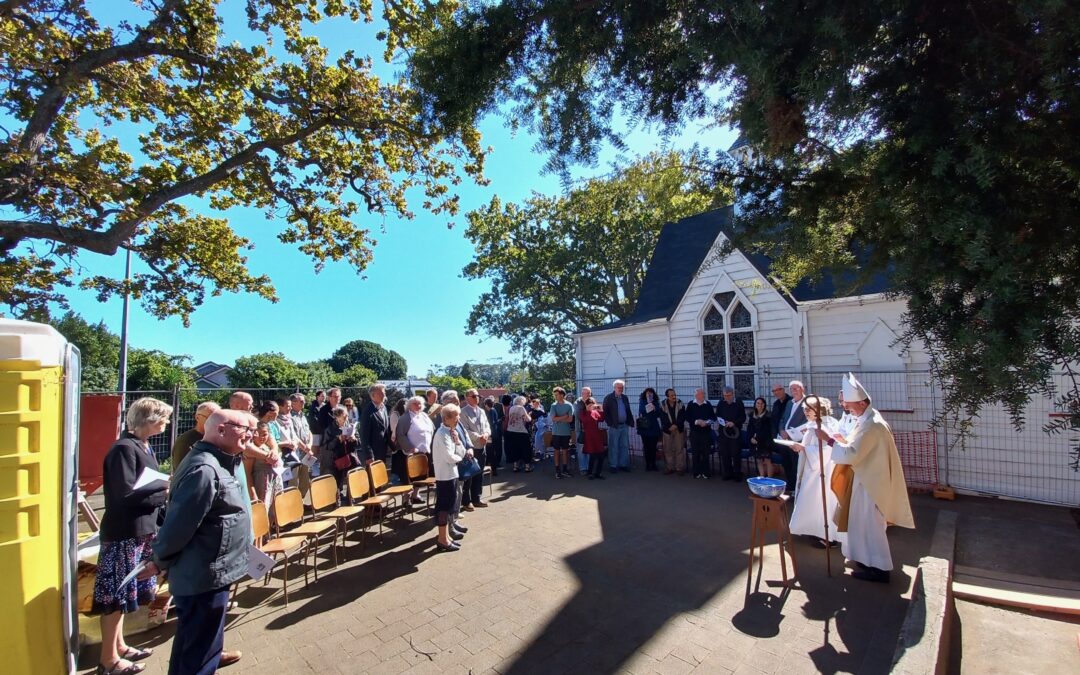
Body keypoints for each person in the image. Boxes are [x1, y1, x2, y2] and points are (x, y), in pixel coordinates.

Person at [149, 409, 253, 675]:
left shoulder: (218, 461)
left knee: (193, 644)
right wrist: (159, 558)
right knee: (199, 652)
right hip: (203, 573)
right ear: (221, 430)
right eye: (244, 430)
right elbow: (180, 524)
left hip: (208, 570)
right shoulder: (205, 469)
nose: (250, 435)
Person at [92, 397, 173, 675]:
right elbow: (124, 493)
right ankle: (108, 659)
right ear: (148, 419)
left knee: (126, 594)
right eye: (163, 418)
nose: (167, 423)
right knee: (115, 596)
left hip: (140, 531)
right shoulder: (123, 449)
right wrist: (164, 491)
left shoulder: (143, 446)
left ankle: (120, 646)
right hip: (123, 534)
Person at [831, 373, 915, 583]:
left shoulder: (871, 425)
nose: (847, 408)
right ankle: (866, 560)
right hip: (866, 478)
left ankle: (879, 568)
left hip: (871, 483)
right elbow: (856, 445)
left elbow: (853, 453)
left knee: (871, 525)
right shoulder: (867, 419)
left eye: (850, 404)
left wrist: (832, 442)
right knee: (860, 522)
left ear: (861, 402)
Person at [788, 396, 846, 548]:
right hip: (813, 471)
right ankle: (814, 530)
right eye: (804, 409)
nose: (805, 412)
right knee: (812, 503)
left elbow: (827, 449)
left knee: (820, 503)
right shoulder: (818, 423)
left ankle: (827, 536)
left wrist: (802, 448)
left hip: (820, 473)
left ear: (818, 410)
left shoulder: (822, 426)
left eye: (808, 409)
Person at [431, 404, 468, 552]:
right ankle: (442, 539)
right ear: (447, 418)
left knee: (449, 506)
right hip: (444, 476)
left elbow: (461, 450)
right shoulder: (441, 433)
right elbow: (449, 457)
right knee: (444, 508)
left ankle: (445, 537)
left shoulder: (450, 432)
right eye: (456, 416)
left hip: (451, 474)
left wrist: (458, 441)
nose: (458, 418)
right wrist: (460, 458)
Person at [396, 395, 434, 503]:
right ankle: (406, 499)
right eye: (415, 403)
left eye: (420, 404)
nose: (418, 405)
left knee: (421, 476)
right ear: (409, 405)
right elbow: (400, 435)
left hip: (425, 451)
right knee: (409, 477)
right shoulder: (405, 417)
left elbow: (431, 429)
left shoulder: (424, 416)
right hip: (412, 453)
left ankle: (415, 496)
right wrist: (410, 448)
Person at [460, 388, 491, 507]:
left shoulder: (481, 411)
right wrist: (479, 437)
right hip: (471, 448)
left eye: (478, 396)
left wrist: (486, 434)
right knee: (469, 475)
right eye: (474, 396)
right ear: (467, 398)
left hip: (482, 446)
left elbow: (487, 425)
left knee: (479, 473)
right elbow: (465, 430)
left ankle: (477, 498)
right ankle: (466, 501)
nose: (477, 398)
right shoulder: (463, 412)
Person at [170, 401, 220, 472]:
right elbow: (181, 472)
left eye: (217, 418)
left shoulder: (219, 437)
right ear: (197, 417)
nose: (215, 422)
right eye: (210, 418)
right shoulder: (185, 441)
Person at [602, 380, 635, 473]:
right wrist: (610, 423)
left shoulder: (625, 398)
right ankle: (613, 465)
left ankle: (623, 464)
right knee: (613, 446)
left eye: (621, 387)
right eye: (618, 387)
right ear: (614, 388)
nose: (620, 389)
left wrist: (630, 421)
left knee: (624, 445)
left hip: (624, 425)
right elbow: (605, 412)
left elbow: (628, 410)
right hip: (614, 426)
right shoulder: (608, 398)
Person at [715, 386, 747, 481]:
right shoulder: (721, 403)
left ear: (733, 394)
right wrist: (722, 422)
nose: (726, 398)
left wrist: (734, 423)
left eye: (728, 396)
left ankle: (737, 474)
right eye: (725, 396)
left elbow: (743, 417)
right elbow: (717, 415)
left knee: (735, 453)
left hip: (735, 432)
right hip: (723, 432)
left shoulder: (738, 403)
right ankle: (727, 473)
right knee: (725, 453)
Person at [770, 383, 797, 492]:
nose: (777, 392)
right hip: (780, 439)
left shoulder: (791, 402)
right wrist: (774, 436)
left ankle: (796, 487)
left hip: (791, 438)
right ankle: (790, 486)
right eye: (774, 391)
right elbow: (774, 421)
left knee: (794, 463)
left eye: (778, 390)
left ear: (783, 390)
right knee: (786, 463)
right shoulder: (776, 404)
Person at [358, 383, 393, 466]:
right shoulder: (367, 412)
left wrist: (392, 446)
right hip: (373, 453)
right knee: (374, 477)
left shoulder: (383, 408)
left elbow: (385, 429)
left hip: (383, 450)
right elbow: (364, 436)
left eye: (384, 393)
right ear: (373, 396)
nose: (384, 395)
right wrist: (369, 455)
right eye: (381, 393)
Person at [685, 389, 716, 479]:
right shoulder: (691, 404)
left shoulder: (708, 404)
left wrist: (707, 422)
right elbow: (687, 417)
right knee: (696, 453)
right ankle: (696, 472)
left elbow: (713, 417)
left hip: (706, 432)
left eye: (704, 394)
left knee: (706, 453)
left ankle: (706, 472)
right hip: (694, 432)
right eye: (702, 394)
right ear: (697, 395)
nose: (703, 396)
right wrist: (696, 421)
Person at [549, 387, 575, 478]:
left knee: (565, 451)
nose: (555, 396)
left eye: (557, 395)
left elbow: (570, 419)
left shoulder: (569, 405)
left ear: (562, 395)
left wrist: (558, 419)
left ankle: (564, 469)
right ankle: (557, 470)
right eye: (554, 395)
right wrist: (564, 416)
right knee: (556, 451)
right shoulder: (553, 405)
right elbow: (553, 419)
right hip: (555, 433)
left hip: (566, 432)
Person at [659, 389, 686, 476]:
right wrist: (669, 427)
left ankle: (679, 468)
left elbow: (682, 416)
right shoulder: (662, 404)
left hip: (678, 429)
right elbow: (662, 417)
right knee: (668, 449)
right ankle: (670, 467)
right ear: (667, 396)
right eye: (671, 395)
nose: (674, 397)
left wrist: (676, 425)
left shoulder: (680, 403)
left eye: (674, 394)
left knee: (679, 448)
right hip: (667, 430)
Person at [578, 397, 607, 479]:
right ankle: (590, 473)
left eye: (592, 405)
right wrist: (588, 410)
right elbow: (585, 420)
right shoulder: (583, 412)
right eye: (589, 405)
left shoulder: (595, 412)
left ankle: (598, 473)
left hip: (597, 436)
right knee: (592, 456)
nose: (591, 406)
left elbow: (601, 419)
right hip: (589, 436)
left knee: (601, 455)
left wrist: (601, 409)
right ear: (586, 405)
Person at [747, 397, 776, 478]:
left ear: (764, 405)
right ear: (755, 404)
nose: (760, 405)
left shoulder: (768, 416)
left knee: (767, 461)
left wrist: (760, 439)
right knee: (759, 460)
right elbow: (749, 429)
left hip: (765, 442)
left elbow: (768, 430)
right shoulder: (752, 416)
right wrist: (751, 438)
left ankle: (770, 479)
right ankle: (762, 477)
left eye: (762, 403)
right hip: (754, 442)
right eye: (758, 403)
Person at [637, 387, 662, 471]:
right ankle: (647, 464)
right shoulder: (642, 401)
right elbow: (641, 411)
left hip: (654, 427)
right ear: (645, 394)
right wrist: (648, 404)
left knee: (653, 447)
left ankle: (653, 464)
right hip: (645, 427)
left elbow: (659, 413)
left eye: (651, 394)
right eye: (648, 393)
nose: (649, 395)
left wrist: (655, 408)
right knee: (647, 446)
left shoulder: (656, 402)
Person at [505, 395, 531, 472]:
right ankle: (527, 466)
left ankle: (515, 466)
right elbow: (527, 419)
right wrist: (530, 415)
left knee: (514, 448)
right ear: (521, 401)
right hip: (521, 431)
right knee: (526, 449)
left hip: (511, 430)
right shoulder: (521, 408)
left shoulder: (511, 408)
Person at [573, 387, 593, 474]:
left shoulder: (592, 401)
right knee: (581, 450)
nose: (585, 395)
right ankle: (583, 468)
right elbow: (577, 415)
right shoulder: (577, 402)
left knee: (590, 449)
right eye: (584, 393)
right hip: (580, 429)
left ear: (590, 394)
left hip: (590, 429)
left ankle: (589, 467)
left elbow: (595, 413)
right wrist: (586, 407)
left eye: (588, 393)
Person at [484, 396, 503, 476]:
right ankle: (492, 469)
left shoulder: (490, 411)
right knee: (491, 452)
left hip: (491, 434)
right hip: (495, 433)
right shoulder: (493, 410)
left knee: (490, 453)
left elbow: (491, 423)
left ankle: (492, 469)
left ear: (486, 404)